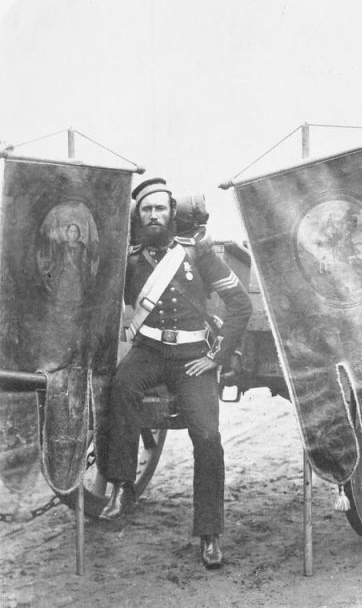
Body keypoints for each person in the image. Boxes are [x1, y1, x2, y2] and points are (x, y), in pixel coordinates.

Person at [99, 177, 253, 569]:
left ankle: (209, 534)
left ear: (171, 214)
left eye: (160, 209)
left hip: (192, 358)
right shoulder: (128, 260)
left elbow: (239, 304)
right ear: (138, 217)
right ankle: (121, 487)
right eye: (146, 210)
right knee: (120, 388)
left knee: (207, 436)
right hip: (149, 351)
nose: (154, 216)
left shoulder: (196, 254)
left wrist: (216, 358)